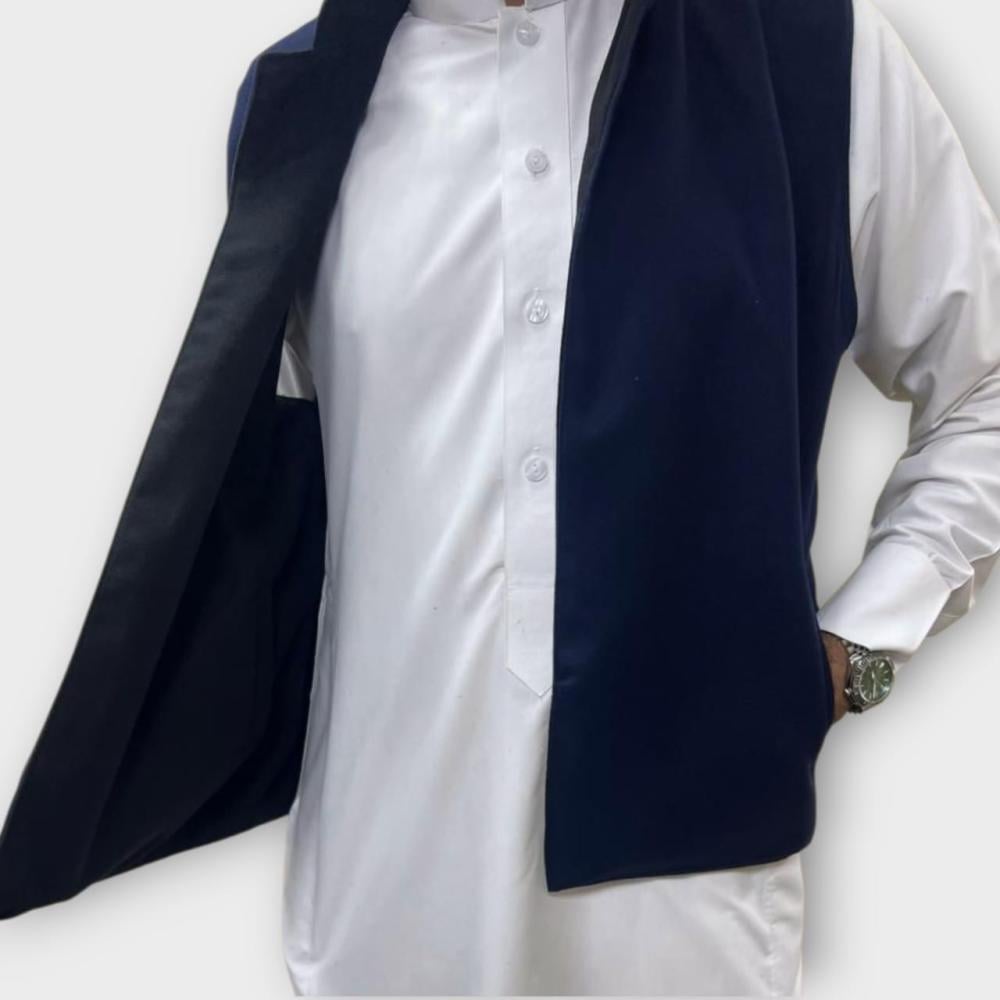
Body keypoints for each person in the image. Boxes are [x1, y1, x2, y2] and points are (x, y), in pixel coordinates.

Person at [2, 0, 999, 996]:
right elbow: (298, 496)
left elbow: (982, 388)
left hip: (689, 916)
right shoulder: (304, 94)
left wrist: (859, 647)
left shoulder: (815, 52)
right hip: (382, 906)